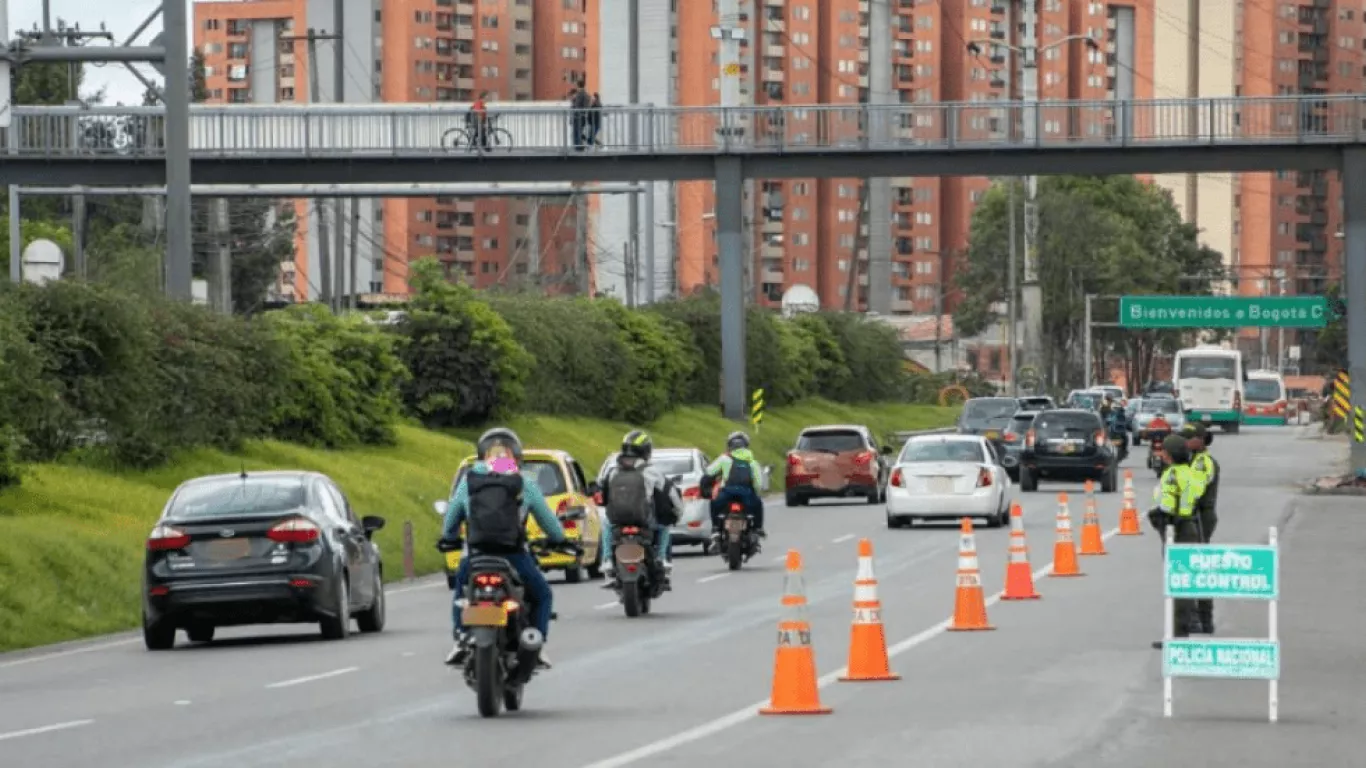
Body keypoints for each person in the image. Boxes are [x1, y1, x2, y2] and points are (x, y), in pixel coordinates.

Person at [442, 427, 568, 668]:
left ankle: (460, 638)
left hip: (477, 557)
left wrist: (448, 537)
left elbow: (450, 521)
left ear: (482, 453)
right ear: (516, 454)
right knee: (543, 594)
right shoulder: (522, 482)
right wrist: (559, 538)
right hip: (514, 557)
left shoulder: (470, 480)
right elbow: (549, 523)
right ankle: (536, 643)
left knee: (461, 591)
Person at [599, 429, 683, 589]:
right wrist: (678, 514)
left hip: (617, 520)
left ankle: (607, 560)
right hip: (644, 520)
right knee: (665, 526)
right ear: (646, 451)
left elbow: (604, 497)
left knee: (605, 523)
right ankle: (661, 559)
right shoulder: (651, 471)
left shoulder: (613, 471)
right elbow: (672, 494)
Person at [1148, 433, 1208, 649]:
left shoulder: (1172, 474)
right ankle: (1179, 631)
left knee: (1176, 585)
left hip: (1176, 529)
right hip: (1189, 525)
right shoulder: (1190, 472)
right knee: (1184, 583)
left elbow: (1166, 504)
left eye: (1163, 450)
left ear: (1170, 454)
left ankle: (1176, 635)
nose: (1160, 454)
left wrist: (1157, 517)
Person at [1182, 421, 1220, 633]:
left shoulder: (1203, 462)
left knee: (1197, 566)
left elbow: (1193, 491)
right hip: (1195, 516)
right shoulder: (1193, 460)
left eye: (1189, 438)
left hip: (1200, 517)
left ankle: (1201, 618)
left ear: (1201, 440)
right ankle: (1199, 618)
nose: (1186, 442)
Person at [703, 431, 767, 543]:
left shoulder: (724, 459)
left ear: (729, 446)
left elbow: (709, 472)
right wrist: (755, 493)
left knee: (714, 503)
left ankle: (716, 529)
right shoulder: (752, 462)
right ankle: (757, 529)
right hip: (747, 494)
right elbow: (758, 484)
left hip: (727, 494)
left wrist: (706, 490)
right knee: (758, 504)